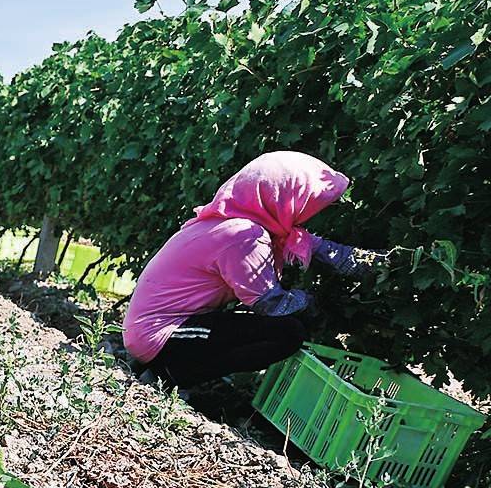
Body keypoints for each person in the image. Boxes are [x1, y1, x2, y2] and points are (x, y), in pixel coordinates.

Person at [123, 151, 369, 388]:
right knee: (286, 333)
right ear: (285, 198)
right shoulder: (244, 235)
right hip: (158, 334)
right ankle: (170, 375)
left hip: (163, 326)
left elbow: (320, 247)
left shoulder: (239, 219)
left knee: (266, 327)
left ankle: (166, 368)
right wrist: (315, 304)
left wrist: (370, 263)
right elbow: (269, 304)